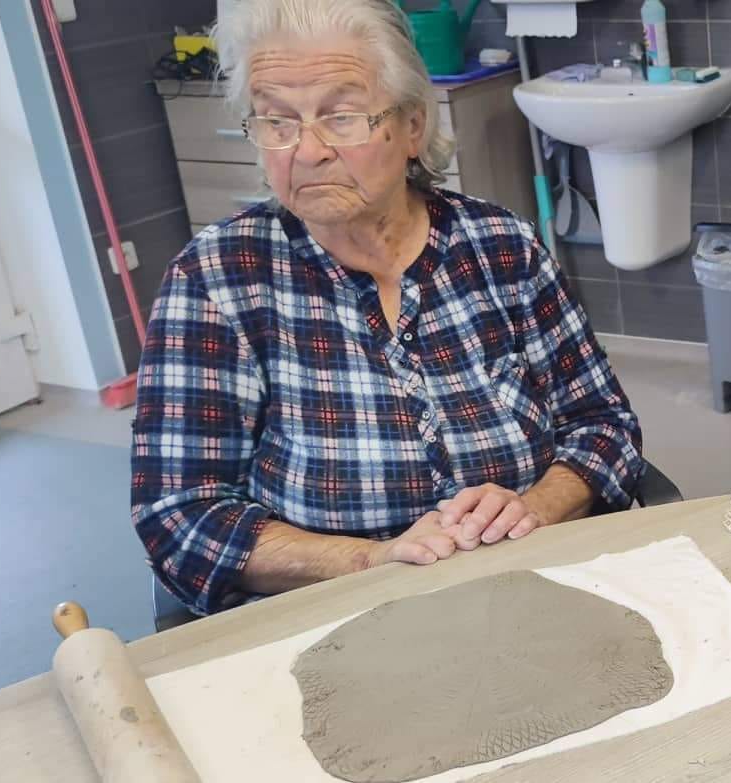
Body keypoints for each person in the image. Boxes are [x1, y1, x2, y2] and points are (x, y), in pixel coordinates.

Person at [132, 0, 642, 615]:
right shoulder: (217, 278)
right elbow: (180, 516)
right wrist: (369, 560)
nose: (307, 151)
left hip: (530, 583)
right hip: (338, 616)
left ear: (412, 127)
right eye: (277, 121)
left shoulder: (502, 246)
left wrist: (534, 508)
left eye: (342, 117)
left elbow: (603, 425)